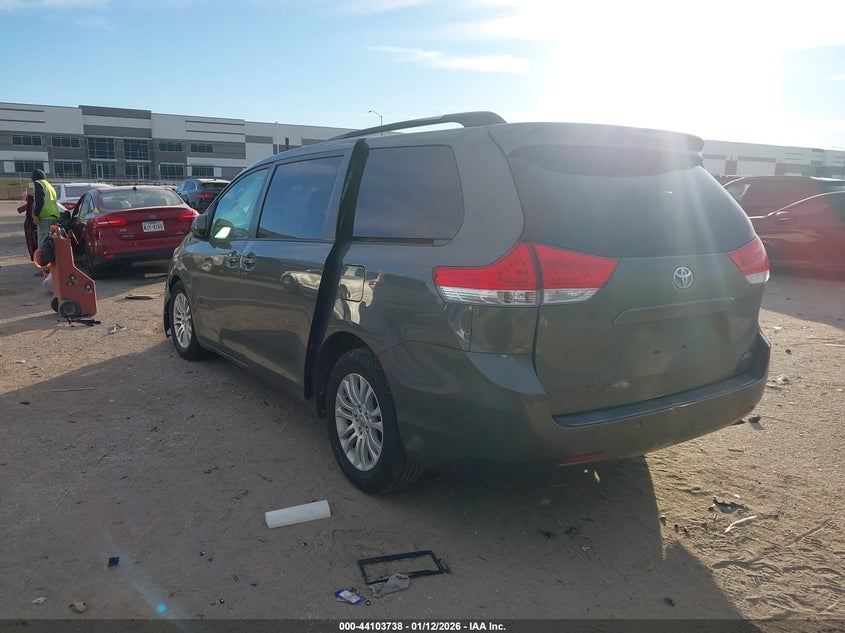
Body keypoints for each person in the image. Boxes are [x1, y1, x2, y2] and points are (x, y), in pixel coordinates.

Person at [30, 168, 61, 247]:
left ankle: (43, 258)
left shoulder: (38, 183)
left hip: (44, 216)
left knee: (43, 240)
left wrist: (36, 214)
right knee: (53, 240)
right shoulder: (48, 185)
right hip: (54, 215)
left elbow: (40, 200)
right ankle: (53, 257)